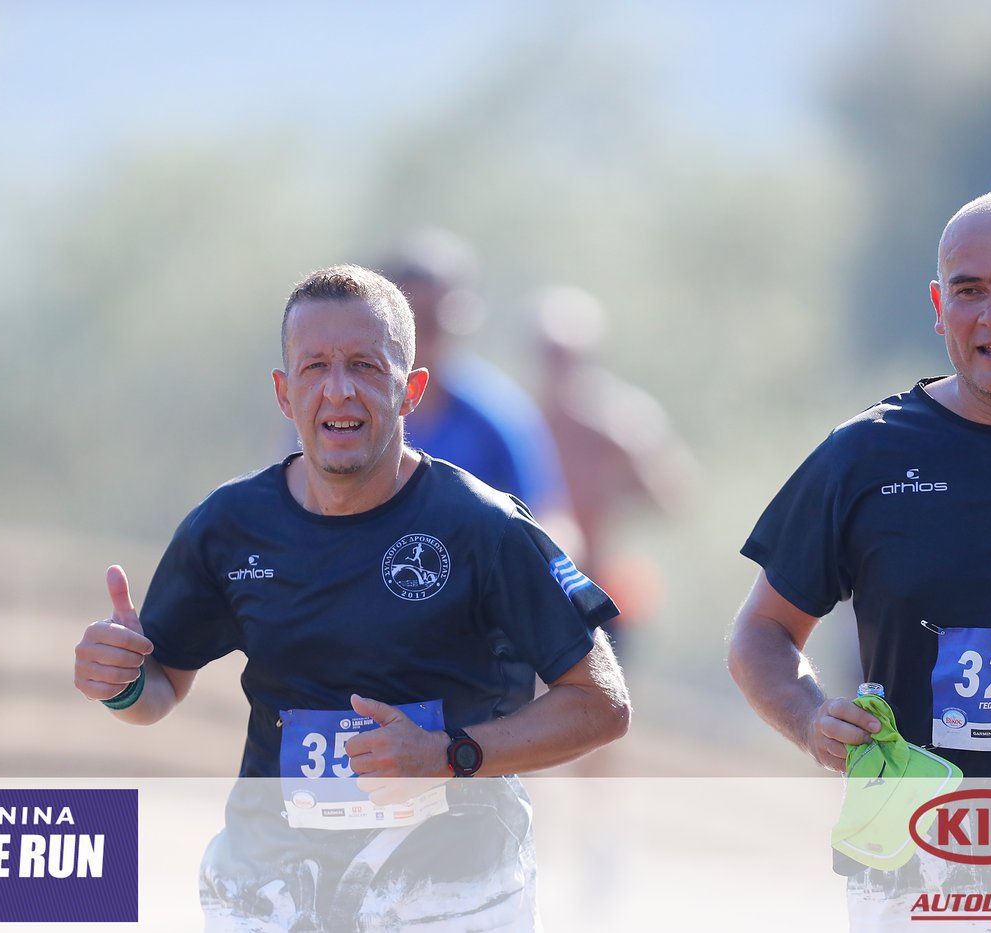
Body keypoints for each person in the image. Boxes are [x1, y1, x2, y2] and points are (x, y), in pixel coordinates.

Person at [74, 264, 630, 929]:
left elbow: (603, 704)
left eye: (366, 366)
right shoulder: (228, 525)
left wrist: (448, 754)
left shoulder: (486, 529)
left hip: (448, 895)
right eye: (315, 367)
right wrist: (122, 683)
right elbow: (160, 686)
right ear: (284, 393)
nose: (339, 390)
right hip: (271, 890)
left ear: (411, 390)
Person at [729, 189, 991, 930]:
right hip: (921, 857)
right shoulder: (864, 455)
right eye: (969, 289)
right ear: (938, 306)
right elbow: (762, 633)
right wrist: (812, 719)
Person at [381, 229, 583, 555]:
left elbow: (551, 521)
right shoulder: (352, 406)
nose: (422, 339)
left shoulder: (499, 414)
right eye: (412, 321)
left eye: (434, 321)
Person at [530, 284, 697, 656]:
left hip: (603, 589)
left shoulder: (621, 417)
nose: (559, 366)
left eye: (568, 356)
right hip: (535, 591)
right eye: (550, 354)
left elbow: (673, 497)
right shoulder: (520, 419)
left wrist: (628, 452)